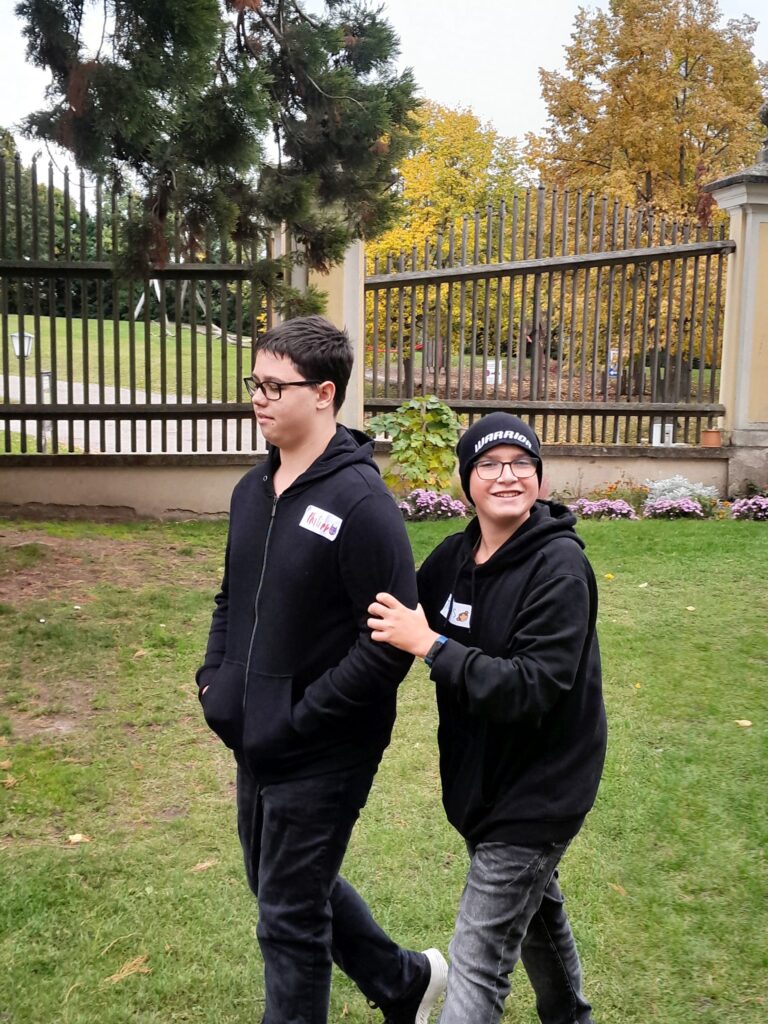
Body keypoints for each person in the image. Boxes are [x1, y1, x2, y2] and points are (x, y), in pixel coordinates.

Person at [196, 316, 447, 1024]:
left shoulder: (362, 505)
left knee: (288, 918)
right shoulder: (253, 491)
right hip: (255, 735)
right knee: (278, 883)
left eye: (275, 386)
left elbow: (389, 643)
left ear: (324, 393)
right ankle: (405, 983)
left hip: (327, 749)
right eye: (255, 383)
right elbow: (232, 596)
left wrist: (305, 716)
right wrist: (215, 680)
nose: (259, 398)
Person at [367, 412, 607, 1024]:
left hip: (540, 790)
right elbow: (393, 614)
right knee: (535, 915)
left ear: (540, 479)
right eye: (490, 465)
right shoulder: (454, 558)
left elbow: (532, 686)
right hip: (481, 783)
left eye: (522, 463)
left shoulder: (559, 569)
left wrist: (433, 646)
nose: (508, 476)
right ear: (466, 481)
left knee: (477, 959)